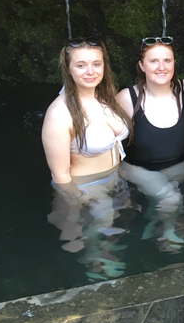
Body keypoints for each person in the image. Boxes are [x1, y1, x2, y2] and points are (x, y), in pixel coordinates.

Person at [41, 37, 133, 276]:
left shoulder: (105, 94)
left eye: (96, 64)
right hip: (85, 187)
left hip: (115, 177)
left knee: (113, 229)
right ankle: (97, 269)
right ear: (68, 69)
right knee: (92, 238)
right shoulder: (60, 114)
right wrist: (80, 199)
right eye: (81, 65)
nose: (90, 71)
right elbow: (60, 175)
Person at [116, 36, 184, 248]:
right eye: (153, 61)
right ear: (141, 65)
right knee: (171, 200)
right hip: (137, 168)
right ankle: (168, 236)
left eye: (167, 61)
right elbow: (110, 141)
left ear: (174, 64)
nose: (161, 67)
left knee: (166, 200)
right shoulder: (127, 97)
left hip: (180, 165)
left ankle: (151, 225)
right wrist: (118, 187)